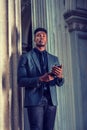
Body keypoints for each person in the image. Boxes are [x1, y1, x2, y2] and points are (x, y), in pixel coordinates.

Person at [18, 27, 64, 130]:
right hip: (35, 101)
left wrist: (60, 77)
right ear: (34, 39)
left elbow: (60, 83)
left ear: (46, 39)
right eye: (38, 36)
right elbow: (21, 81)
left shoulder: (54, 59)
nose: (41, 38)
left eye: (43, 36)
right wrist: (40, 79)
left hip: (51, 101)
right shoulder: (26, 57)